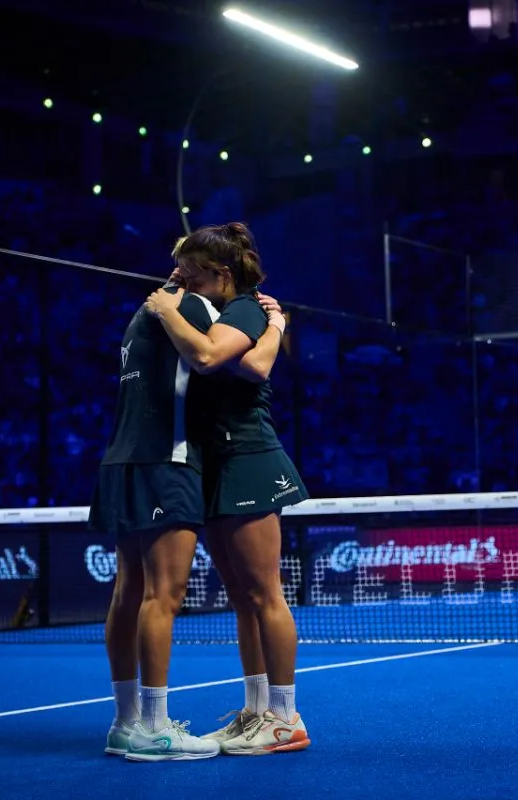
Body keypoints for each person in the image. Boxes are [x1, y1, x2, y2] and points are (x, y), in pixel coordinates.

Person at [90, 258, 286, 762]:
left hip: (121, 460)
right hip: (169, 460)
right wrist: (274, 325)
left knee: (128, 590)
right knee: (164, 595)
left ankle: (126, 722)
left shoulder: (139, 316)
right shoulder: (194, 307)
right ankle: (156, 729)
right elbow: (217, 358)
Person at [144, 222, 311, 756]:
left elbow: (214, 359)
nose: (181, 280)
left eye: (192, 274)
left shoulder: (244, 310)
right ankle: (257, 711)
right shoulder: (220, 307)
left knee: (264, 594)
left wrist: (168, 311)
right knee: (242, 600)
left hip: (249, 458)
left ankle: (285, 717)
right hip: (214, 463)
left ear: (221, 274)